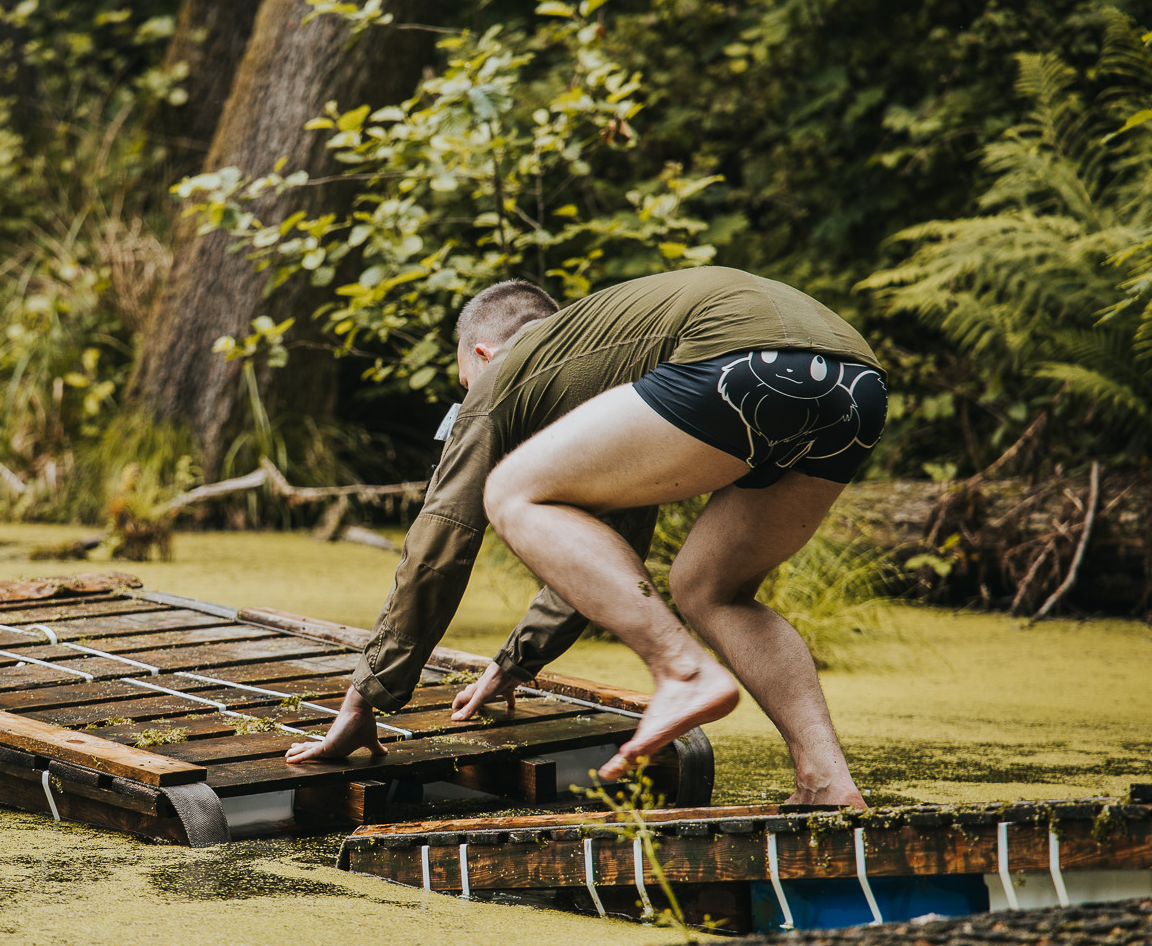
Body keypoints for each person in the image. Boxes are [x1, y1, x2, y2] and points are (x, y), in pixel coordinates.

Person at [284, 266, 886, 808]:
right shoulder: (600, 360)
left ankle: (683, 674)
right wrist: (516, 663)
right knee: (710, 588)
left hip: (739, 356)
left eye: (466, 384)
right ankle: (825, 781)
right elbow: (607, 554)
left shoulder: (507, 374)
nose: (469, 398)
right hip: (857, 385)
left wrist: (367, 695)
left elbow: (438, 543)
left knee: (506, 492)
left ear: (483, 355)